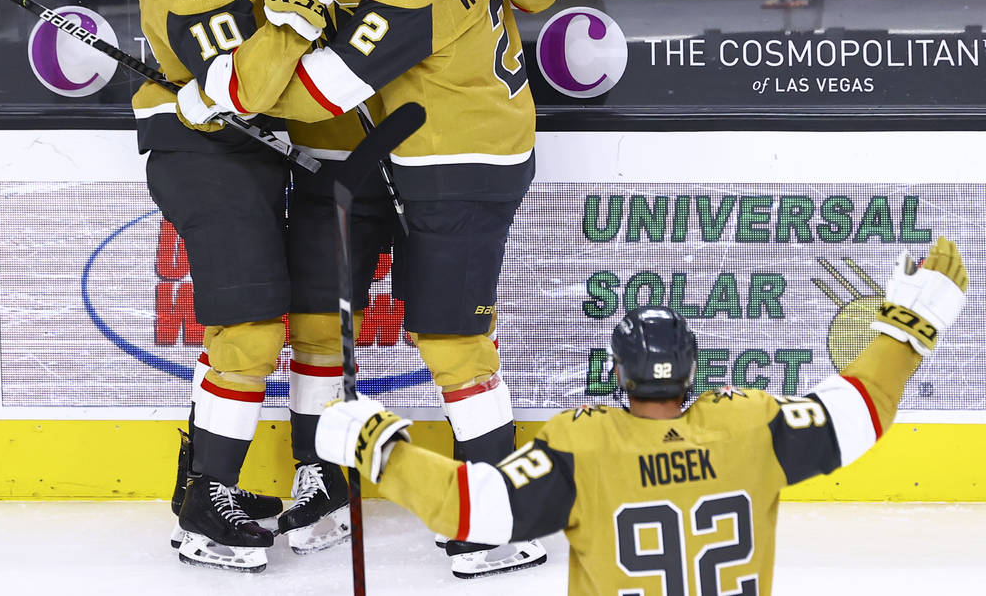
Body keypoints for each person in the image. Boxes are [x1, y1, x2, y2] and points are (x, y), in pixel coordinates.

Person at [183, 0, 560, 578]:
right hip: (475, 163)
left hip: (456, 175)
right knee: (448, 334)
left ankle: (492, 526)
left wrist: (229, 90)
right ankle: (477, 511)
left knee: (456, 345)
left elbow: (327, 90)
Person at [315, 236, 970, 594]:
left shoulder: (584, 443)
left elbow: (473, 507)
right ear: (693, 366)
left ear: (619, 371)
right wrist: (908, 329)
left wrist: (377, 442)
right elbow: (858, 411)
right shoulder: (750, 428)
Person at [137, 0, 361, 573]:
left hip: (245, 155)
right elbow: (251, 88)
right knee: (253, 328)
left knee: (261, 324)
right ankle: (209, 507)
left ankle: (200, 487)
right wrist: (297, 9)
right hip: (206, 153)